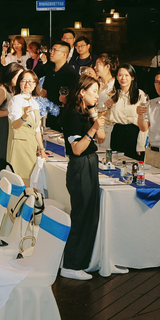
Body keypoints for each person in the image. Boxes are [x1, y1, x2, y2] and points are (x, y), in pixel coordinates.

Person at [59, 75, 106, 280]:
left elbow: (101, 138)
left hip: (90, 163)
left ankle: (81, 261)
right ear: (82, 92)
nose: (97, 95)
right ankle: (71, 264)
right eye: (94, 91)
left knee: (89, 214)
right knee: (81, 215)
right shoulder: (72, 115)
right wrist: (93, 129)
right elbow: (77, 149)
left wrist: (94, 116)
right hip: (80, 166)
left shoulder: (86, 113)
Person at [6, 70, 45, 188]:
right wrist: (25, 115)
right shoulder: (16, 100)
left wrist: (42, 149)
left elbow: (36, 129)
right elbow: (15, 125)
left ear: (35, 84)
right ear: (19, 83)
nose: (27, 84)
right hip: (19, 145)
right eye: (24, 81)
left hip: (31, 145)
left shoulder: (35, 102)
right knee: (21, 180)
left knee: (30, 179)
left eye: (30, 81)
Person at [105, 64, 148, 157]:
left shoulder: (140, 95)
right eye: (120, 75)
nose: (123, 78)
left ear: (132, 77)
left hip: (133, 133)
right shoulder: (113, 95)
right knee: (116, 161)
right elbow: (108, 121)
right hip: (117, 132)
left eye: (126, 75)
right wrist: (108, 108)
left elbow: (145, 121)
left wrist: (141, 145)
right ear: (116, 77)